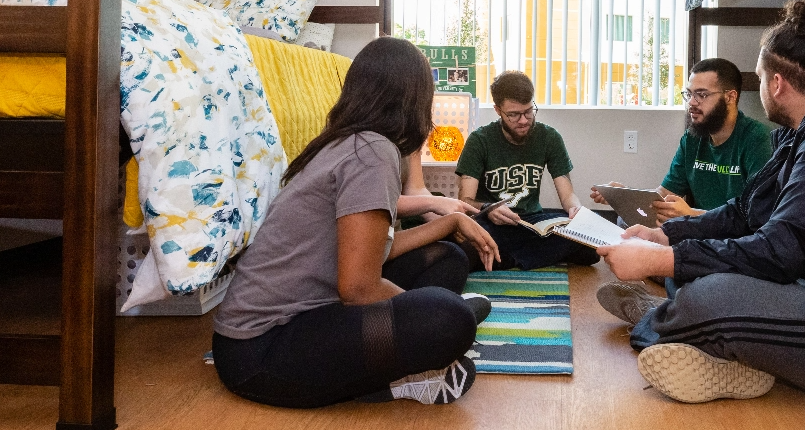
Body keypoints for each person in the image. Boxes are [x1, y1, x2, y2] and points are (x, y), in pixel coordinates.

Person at [593, 0, 805, 407]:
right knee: (694, 271)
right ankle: (709, 340)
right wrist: (664, 236)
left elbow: (779, 252)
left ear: (776, 84)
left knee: (707, 294)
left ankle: (667, 319)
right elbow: (744, 212)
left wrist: (654, 261)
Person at [211, 37, 500, 409]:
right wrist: (418, 313)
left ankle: (409, 350)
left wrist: (448, 223)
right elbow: (359, 288)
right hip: (261, 351)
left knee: (447, 257)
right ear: (413, 99)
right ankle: (409, 371)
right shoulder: (371, 151)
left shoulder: (351, 143)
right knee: (450, 318)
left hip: (308, 314)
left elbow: (369, 251)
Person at [589, 58, 773, 224]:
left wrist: (691, 214)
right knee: (626, 222)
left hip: (732, 235)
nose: (692, 102)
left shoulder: (757, 139)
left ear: (730, 97)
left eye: (702, 95)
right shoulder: (692, 138)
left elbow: (753, 216)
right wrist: (627, 196)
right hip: (697, 227)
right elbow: (664, 195)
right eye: (689, 94)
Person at [455, 71, 599, 271]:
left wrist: (576, 210)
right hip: (493, 224)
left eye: (529, 111)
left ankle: (506, 258)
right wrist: (489, 208)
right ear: (498, 110)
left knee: (590, 246)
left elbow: (568, 195)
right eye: (513, 115)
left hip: (532, 222)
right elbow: (465, 201)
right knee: (462, 250)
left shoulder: (549, 137)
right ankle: (523, 257)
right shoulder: (480, 141)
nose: (523, 120)